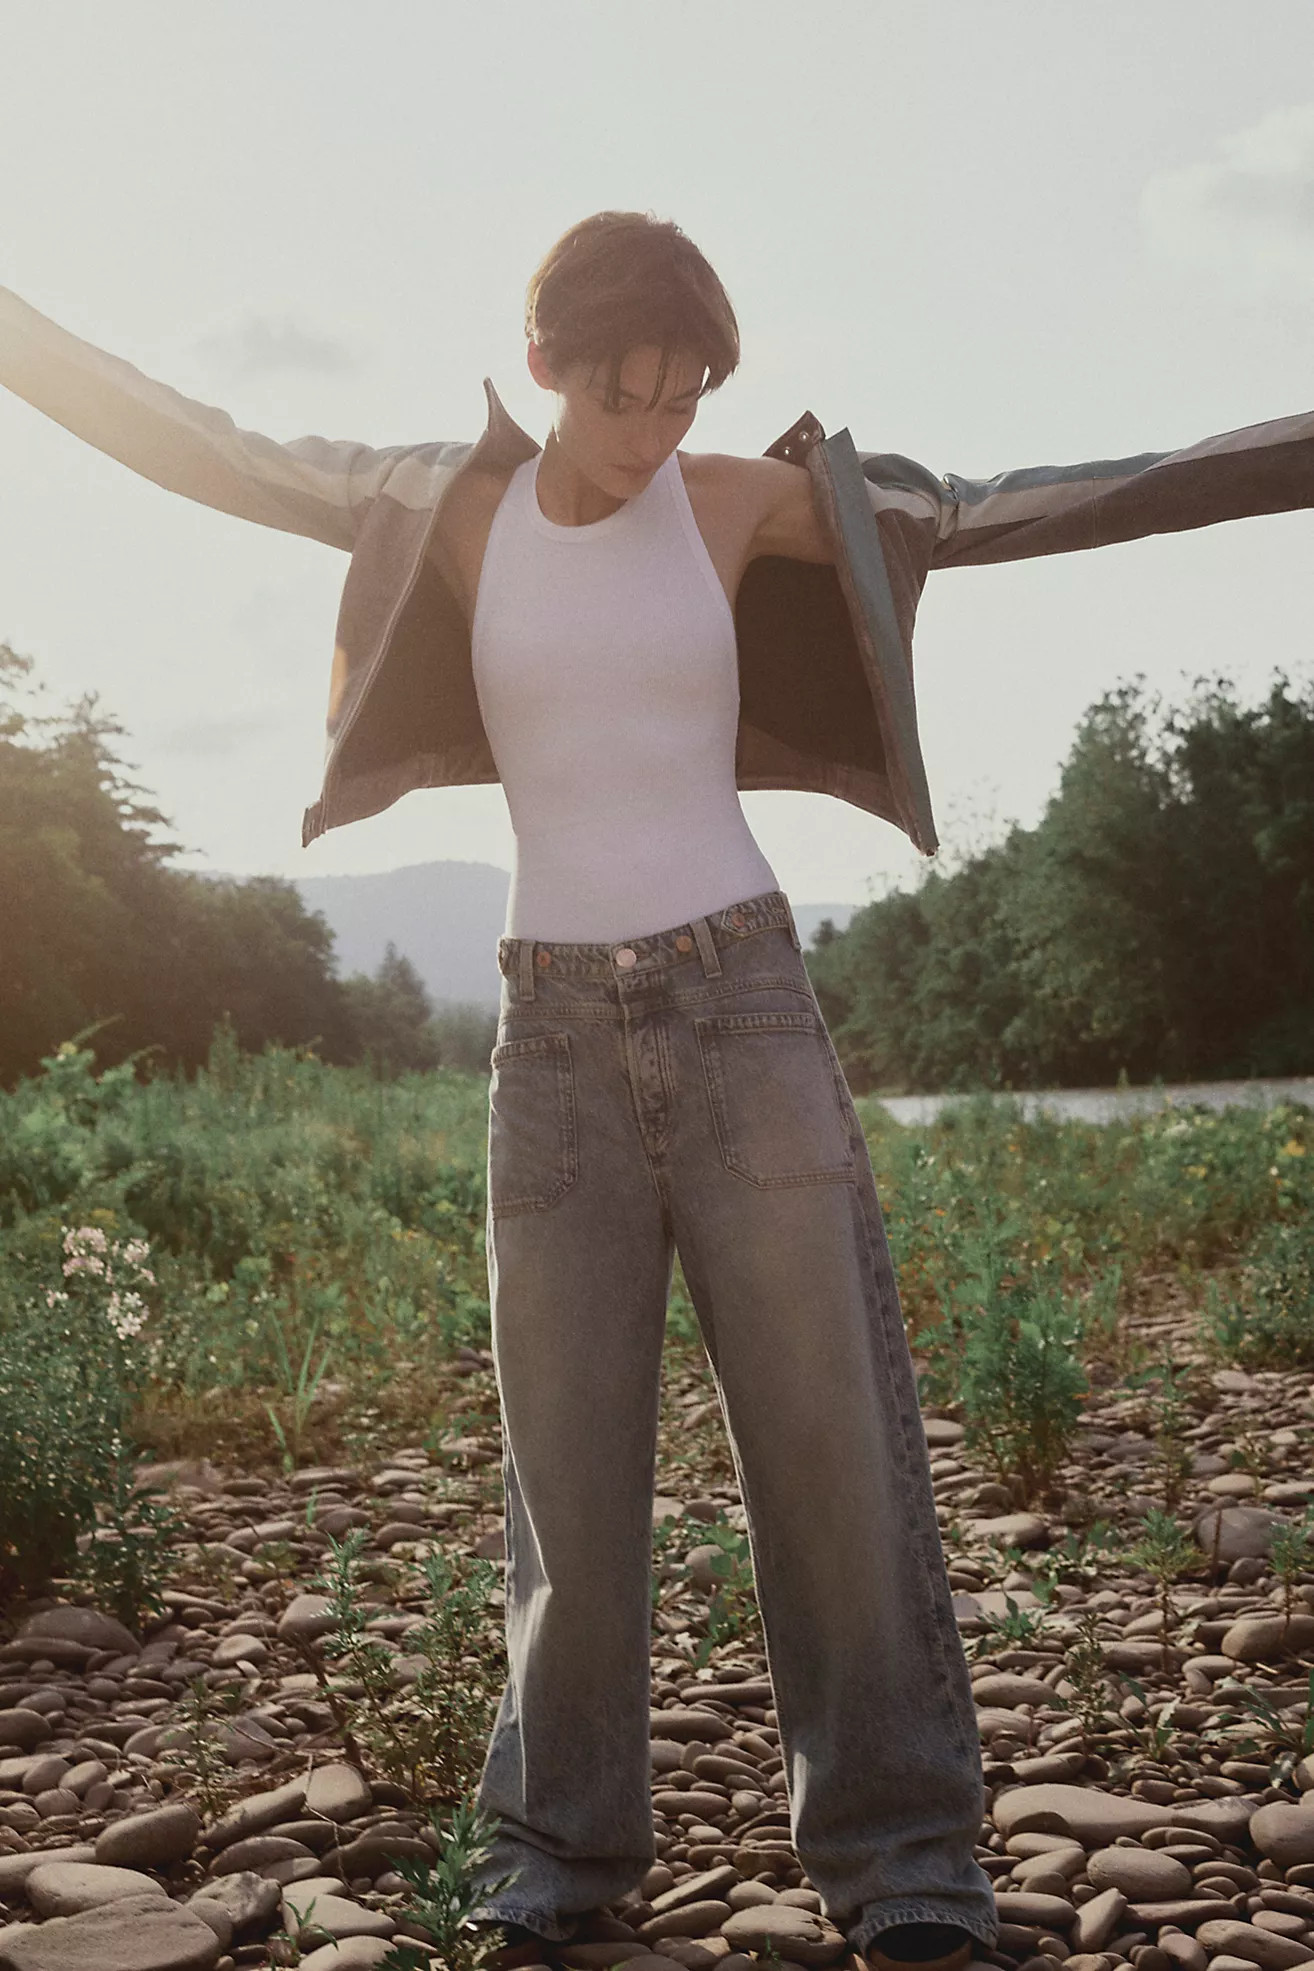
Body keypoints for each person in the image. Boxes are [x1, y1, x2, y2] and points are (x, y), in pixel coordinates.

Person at [1, 213, 1310, 1971]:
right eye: (625, 395)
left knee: (831, 1446)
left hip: (740, 1007)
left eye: (687, 392)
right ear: (543, 366)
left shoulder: (744, 501)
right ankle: (558, 1846)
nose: (656, 429)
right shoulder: (439, 506)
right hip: (548, 1034)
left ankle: (905, 1854)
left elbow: (1052, 498)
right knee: (565, 1468)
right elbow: (201, 443)